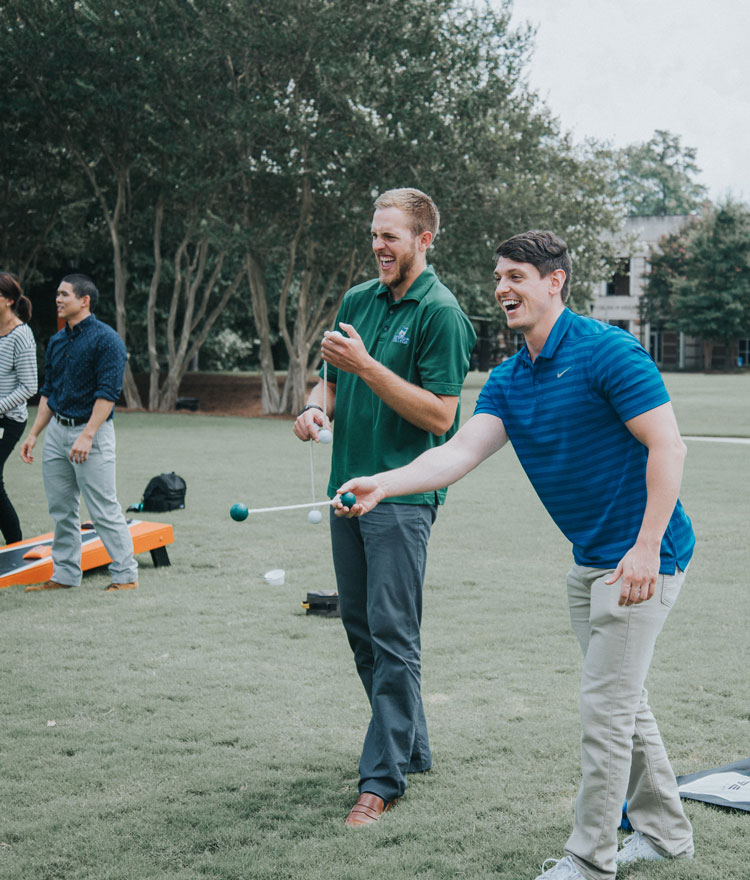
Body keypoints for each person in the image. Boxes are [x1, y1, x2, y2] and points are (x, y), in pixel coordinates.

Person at [335, 231, 695, 878]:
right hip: (590, 560)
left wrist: (645, 549)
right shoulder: (509, 378)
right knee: (624, 702)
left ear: (554, 282)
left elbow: (669, 448)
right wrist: (385, 481)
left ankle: (589, 860)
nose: (502, 287)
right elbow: (458, 453)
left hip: (644, 558)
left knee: (606, 712)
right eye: (498, 276)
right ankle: (667, 833)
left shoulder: (607, 352)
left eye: (517, 276)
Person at [293, 188, 476, 826]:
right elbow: (334, 378)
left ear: (425, 240)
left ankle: (382, 780)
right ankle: (411, 747)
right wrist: (319, 404)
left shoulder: (442, 313)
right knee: (362, 632)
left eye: (391, 236)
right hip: (348, 492)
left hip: (403, 495)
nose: (378, 246)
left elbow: (441, 415)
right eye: (375, 234)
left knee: (394, 636)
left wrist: (368, 367)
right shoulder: (357, 300)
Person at [20, 274, 138, 592]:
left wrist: (87, 435)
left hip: (92, 434)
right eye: (58, 294)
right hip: (57, 433)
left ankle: (125, 576)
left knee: (102, 506)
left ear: (84, 300)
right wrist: (34, 435)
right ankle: (65, 576)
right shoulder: (57, 342)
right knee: (61, 508)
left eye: (64, 295)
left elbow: (108, 393)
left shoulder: (107, 340)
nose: (58, 300)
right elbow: (48, 392)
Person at [0, 272, 38, 544]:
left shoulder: (21, 335)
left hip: (8, 420)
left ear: (8, 301)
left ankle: (15, 544)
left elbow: (29, 386)